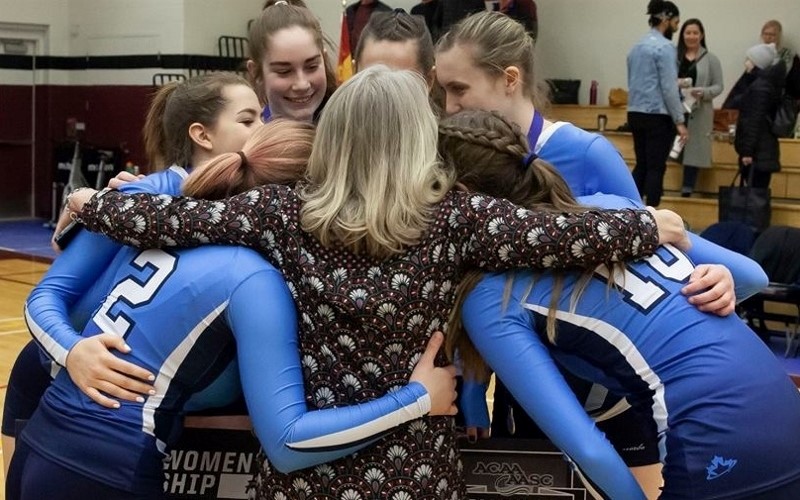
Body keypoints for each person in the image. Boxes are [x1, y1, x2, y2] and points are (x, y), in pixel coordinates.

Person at [66, 66, 688, 498]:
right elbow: (569, 235)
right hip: (414, 473)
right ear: (422, 138)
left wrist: (91, 203)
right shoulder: (457, 217)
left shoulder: (285, 212)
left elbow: (173, 218)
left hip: (306, 472)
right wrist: (652, 224)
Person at [7, 119, 459, 499]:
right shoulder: (253, 277)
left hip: (42, 443)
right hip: (108, 468)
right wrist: (415, 400)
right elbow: (286, 443)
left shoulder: (168, 206)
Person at [434, 13, 738, 496]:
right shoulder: (460, 156)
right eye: (442, 93)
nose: (448, 106)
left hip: (619, 400)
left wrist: (717, 275)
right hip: (529, 392)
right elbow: (476, 285)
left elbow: (656, 250)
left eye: (459, 89)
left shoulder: (587, 154)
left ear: (509, 79)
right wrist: (474, 391)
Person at [442, 112, 800, 500]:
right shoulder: (611, 206)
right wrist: (718, 280)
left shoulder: (490, 293)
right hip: (784, 406)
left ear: (462, 197)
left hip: (711, 436)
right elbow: (750, 276)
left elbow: (589, 450)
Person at [3, 72, 263, 476]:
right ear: (203, 135)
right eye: (249, 121)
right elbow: (44, 296)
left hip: (164, 418)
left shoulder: (255, 209)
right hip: (65, 392)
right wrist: (73, 351)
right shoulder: (135, 196)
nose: (264, 130)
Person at [627, 0, 687, 206]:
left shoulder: (635, 47)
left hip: (635, 113)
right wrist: (680, 121)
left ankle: (630, 209)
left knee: (641, 165)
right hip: (657, 116)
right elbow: (669, 88)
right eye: (676, 22)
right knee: (656, 167)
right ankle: (653, 214)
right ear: (666, 19)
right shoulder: (666, 48)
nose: (677, 28)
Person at [247, 1, 337, 122]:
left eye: (312, 67)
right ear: (255, 72)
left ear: (324, 59)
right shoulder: (249, 138)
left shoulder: (347, 130)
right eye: (284, 71)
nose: (302, 84)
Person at [723, 43, 785, 189]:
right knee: (756, 194)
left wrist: (747, 152)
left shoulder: (760, 88)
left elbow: (754, 122)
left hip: (758, 152)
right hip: (763, 150)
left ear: (757, 63)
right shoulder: (764, 84)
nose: (746, 62)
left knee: (754, 196)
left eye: (749, 59)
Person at [676, 19, 723, 198]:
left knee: (694, 148)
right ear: (682, 35)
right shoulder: (674, 57)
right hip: (677, 109)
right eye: (688, 33)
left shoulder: (711, 59)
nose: (692, 36)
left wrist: (703, 92)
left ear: (701, 35)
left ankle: (687, 187)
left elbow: (719, 85)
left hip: (699, 110)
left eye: (695, 33)